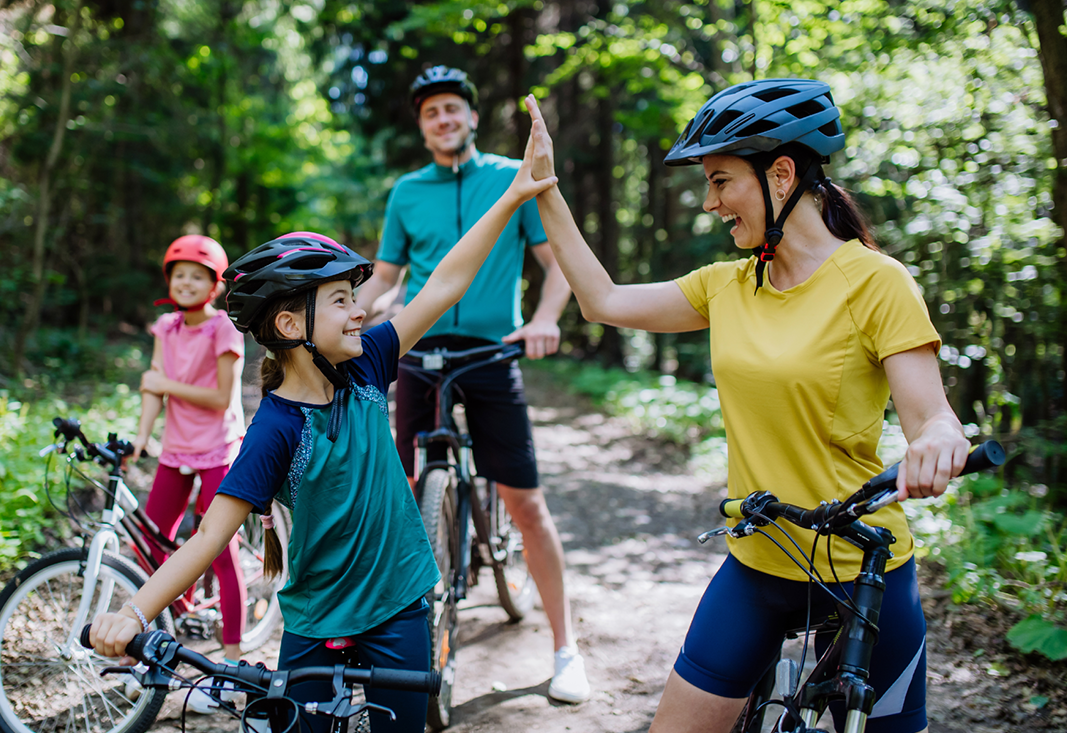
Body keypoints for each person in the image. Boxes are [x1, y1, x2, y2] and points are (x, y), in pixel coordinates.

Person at [523, 80, 970, 733]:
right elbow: (603, 301)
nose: (709, 203)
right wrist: (546, 188)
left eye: (721, 181)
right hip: (759, 560)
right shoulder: (727, 284)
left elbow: (930, 414)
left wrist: (937, 439)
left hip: (863, 568)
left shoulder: (876, 284)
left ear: (781, 174)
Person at [88, 127, 560, 733]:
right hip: (314, 621)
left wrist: (514, 195)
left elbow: (444, 281)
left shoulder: (366, 364)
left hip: (398, 606)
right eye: (340, 299)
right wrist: (133, 611)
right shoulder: (275, 429)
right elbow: (208, 538)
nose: (360, 309)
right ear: (290, 323)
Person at [354, 65, 589, 704]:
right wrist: (353, 314)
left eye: (453, 109)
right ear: (422, 124)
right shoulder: (407, 191)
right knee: (402, 488)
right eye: (431, 112)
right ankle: (394, 628)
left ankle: (566, 648)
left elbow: (557, 265)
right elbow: (385, 276)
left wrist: (543, 320)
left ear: (472, 117)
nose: (444, 119)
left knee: (527, 504)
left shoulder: (509, 177)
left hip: (491, 352)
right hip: (418, 350)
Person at [132, 234, 246, 713]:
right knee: (149, 543)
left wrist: (165, 383)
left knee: (220, 552)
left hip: (219, 448)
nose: (185, 282)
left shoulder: (224, 330)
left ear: (215, 285)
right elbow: (153, 391)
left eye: (196, 275)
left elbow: (221, 398)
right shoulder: (166, 327)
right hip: (176, 449)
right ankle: (151, 648)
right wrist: (139, 439)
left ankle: (236, 661)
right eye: (178, 274)